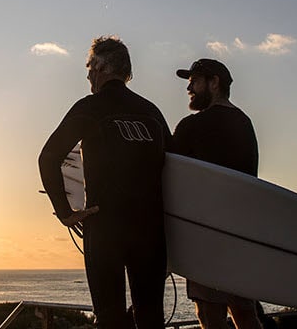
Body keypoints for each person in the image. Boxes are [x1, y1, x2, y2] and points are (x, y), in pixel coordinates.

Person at [39, 36, 172, 329]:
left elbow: (48, 158)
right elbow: (175, 169)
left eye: (90, 66)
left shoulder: (90, 107)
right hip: (151, 233)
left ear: (101, 67)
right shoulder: (151, 112)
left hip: (105, 230)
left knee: (110, 319)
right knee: (151, 318)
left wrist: (65, 212)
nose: (88, 74)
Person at [170, 58, 263, 329]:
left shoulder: (192, 126)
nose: (189, 87)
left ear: (214, 83)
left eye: (195, 81)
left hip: (205, 237)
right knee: (245, 313)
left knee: (210, 318)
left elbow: (170, 176)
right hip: (241, 236)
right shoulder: (245, 124)